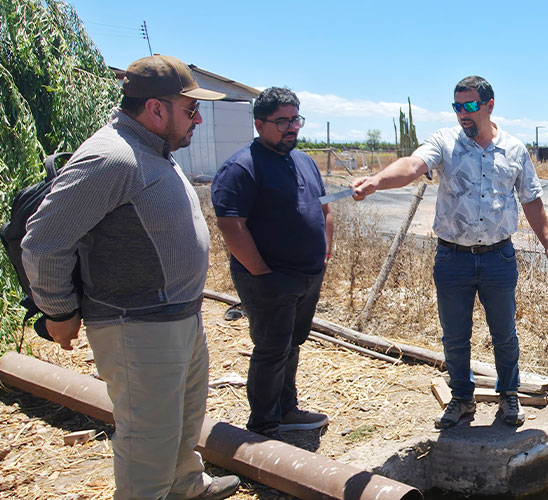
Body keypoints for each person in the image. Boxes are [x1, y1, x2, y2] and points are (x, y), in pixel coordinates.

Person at [21, 54, 239, 500]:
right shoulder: (113, 157)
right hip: (137, 327)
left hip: (178, 319)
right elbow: (43, 242)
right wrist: (58, 311)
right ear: (156, 109)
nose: (197, 120)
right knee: (148, 446)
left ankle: (185, 487)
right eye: (190, 109)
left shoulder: (155, 149)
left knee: (181, 421)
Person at [351, 75, 548, 429]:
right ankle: (461, 399)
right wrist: (377, 180)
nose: (462, 115)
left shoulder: (514, 149)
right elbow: (413, 165)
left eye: (470, 106)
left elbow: (531, 200)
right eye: (457, 107)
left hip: (498, 258)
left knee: (504, 333)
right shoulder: (445, 141)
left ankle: (509, 396)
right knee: (455, 335)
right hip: (452, 258)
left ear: (489, 105)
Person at [211, 87, 332, 439]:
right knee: (271, 348)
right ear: (259, 123)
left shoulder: (304, 161)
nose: (291, 127)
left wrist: (325, 250)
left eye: (295, 119)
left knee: (291, 343)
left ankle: (286, 409)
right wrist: (262, 272)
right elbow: (230, 224)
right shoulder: (242, 167)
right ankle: (263, 426)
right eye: (282, 121)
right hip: (269, 277)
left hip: (308, 274)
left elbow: (325, 209)